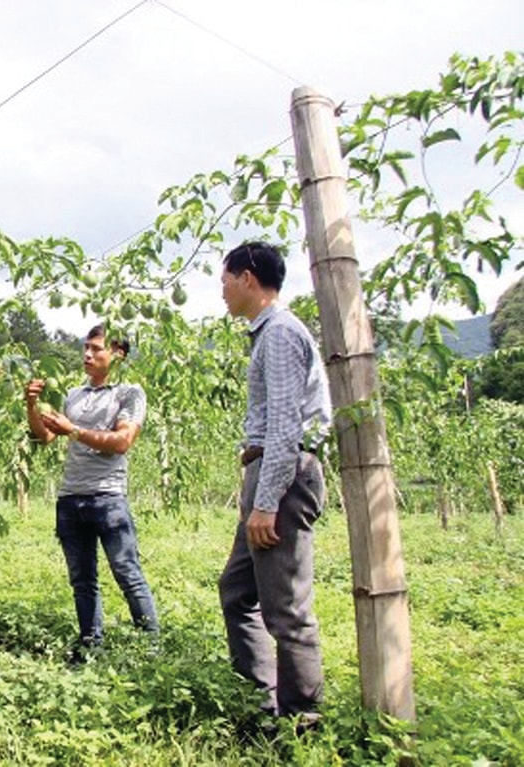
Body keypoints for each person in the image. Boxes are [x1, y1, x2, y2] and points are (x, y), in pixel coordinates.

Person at [217, 240, 332, 728]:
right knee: (237, 591)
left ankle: (303, 721)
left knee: (285, 609)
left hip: (280, 475)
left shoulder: (281, 333)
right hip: (267, 474)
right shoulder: (268, 335)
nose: (221, 292)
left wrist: (266, 503)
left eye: (224, 281)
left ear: (247, 277)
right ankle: (263, 703)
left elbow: (287, 425)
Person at [24, 324, 159, 664]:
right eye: (86, 347)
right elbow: (44, 438)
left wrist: (75, 430)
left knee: (128, 573)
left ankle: (150, 649)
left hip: (108, 498)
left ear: (118, 354)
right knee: (82, 581)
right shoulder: (74, 395)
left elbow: (122, 443)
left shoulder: (129, 393)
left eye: (97, 349)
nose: (87, 354)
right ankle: (89, 647)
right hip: (71, 498)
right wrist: (31, 405)